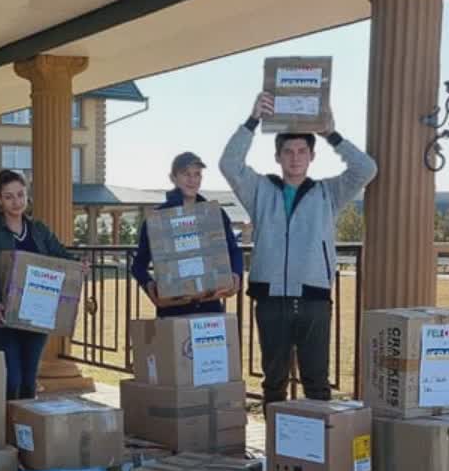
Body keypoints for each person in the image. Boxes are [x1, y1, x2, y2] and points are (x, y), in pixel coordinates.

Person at [220, 94, 377, 403]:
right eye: (288, 151)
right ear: (278, 157)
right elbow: (229, 164)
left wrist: (331, 133)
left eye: (302, 151)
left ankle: (316, 449)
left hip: (314, 300)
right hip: (271, 300)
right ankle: (276, 448)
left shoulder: (328, 193)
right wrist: (252, 121)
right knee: (273, 382)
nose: (295, 158)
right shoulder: (260, 190)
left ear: (312, 156)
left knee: (317, 382)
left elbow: (366, 169)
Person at [0, 170, 81, 400]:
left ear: (26, 196)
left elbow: (59, 255)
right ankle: (6, 429)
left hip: (35, 318)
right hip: (2, 318)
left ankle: (25, 432)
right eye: (9, 196)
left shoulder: (39, 230)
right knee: (12, 380)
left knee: (29, 381)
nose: (16, 202)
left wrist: (78, 266)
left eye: (20, 195)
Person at [129, 151, 245, 317]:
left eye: (197, 174)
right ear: (173, 178)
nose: (192, 180)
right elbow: (138, 265)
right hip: (173, 309)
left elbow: (233, 250)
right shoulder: (157, 220)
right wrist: (150, 287)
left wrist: (236, 275)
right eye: (186, 174)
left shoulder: (215, 215)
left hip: (210, 307)